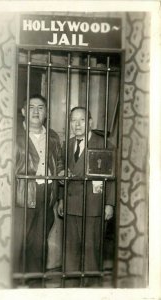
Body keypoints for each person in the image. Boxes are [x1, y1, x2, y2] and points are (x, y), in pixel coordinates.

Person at [58, 106, 115, 287]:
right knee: (70, 251)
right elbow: (62, 174)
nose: (77, 124)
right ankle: (71, 289)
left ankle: (92, 289)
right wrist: (61, 199)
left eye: (81, 120)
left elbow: (112, 178)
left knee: (92, 252)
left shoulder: (104, 144)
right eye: (73, 120)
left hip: (93, 206)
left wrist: (110, 204)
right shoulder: (66, 144)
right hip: (71, 205)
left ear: (90, 122)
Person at [14, 94, 63, 286]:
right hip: (21, 193)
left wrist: (58, 190)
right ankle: (12, 282)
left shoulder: (52, 136)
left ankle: (35, 282)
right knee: (18, 240)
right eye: (31, 107)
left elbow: (58, 162)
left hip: (46, 194)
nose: (36, 111)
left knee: (39, 241)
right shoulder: (14, 135)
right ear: (24, 111)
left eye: (40, 107)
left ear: (46, 113)